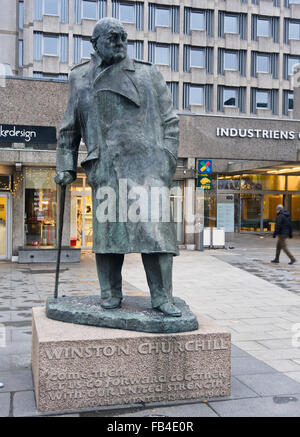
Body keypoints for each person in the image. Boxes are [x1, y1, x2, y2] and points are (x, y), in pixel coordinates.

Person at [54, 17, 182, 317]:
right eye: (112, 38)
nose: (119, 43)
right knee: (109, 238)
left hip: (150, 168)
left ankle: (163, 297)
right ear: (95, 43)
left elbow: (170, 122)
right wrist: (66, 166)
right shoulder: (81, 77)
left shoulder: (148, 74)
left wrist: (167, 159)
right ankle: (110, 294)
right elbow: (68, 130)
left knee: (157, 237)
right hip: (107, 167)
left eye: (123, 37)